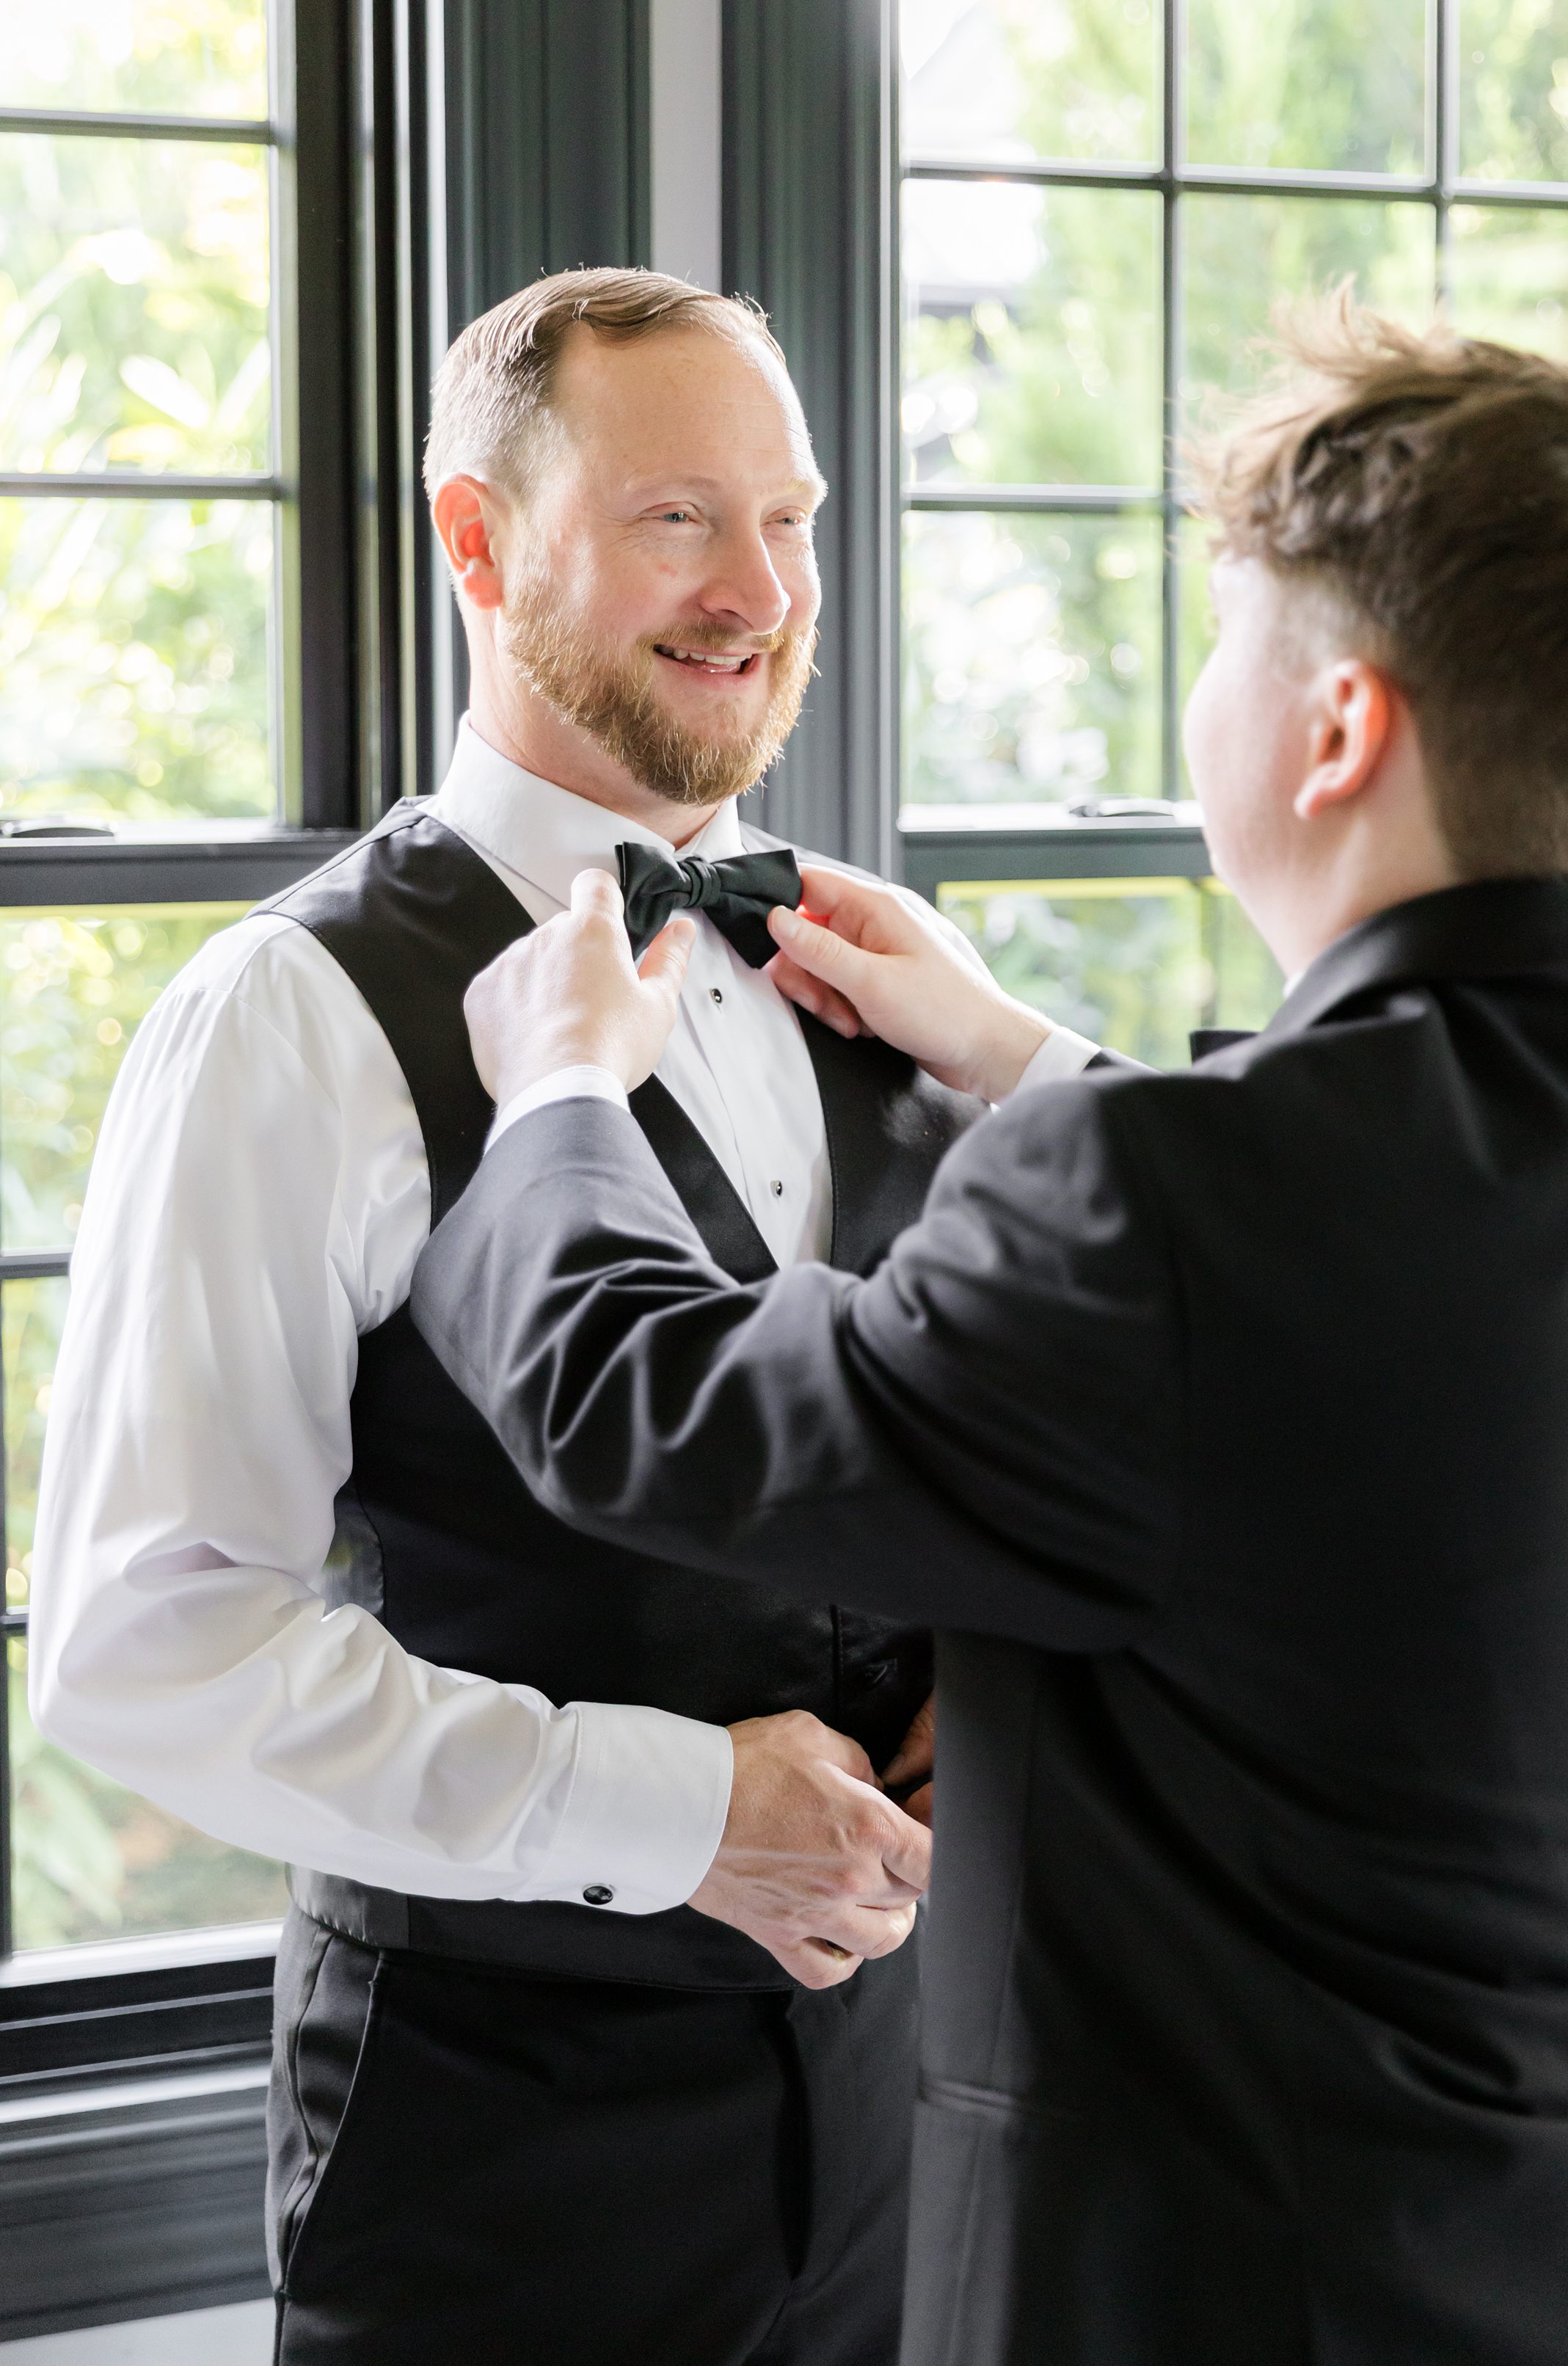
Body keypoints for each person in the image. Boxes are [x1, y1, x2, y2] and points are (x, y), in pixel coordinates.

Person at [410, 307, 1568, 2365]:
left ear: (1334, 732)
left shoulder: (1166, 1209)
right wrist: (1035, 1061)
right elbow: (1363, 1326)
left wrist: (564, 1097)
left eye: (1223, 647)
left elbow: (643, 1412)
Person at [29, 269, 1093, 2365]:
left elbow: (1045, 1432)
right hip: (496, 2166)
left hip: (909, 2135)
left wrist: (1001, 1695)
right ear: (477, 541)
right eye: (677, 518)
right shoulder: (286, 1021)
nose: (762, 589)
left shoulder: (886, 968)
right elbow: (145, 1653)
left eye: (789, 518)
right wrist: (683, 1813)